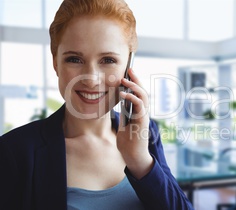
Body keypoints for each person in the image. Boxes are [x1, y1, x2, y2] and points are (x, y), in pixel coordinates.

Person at [0, 0, 193, 209]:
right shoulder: (14, 151)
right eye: (74, 59)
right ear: (55, 62)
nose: (91, 79)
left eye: (108, 60)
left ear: (129, 65)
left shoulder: (146, 133)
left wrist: (140, 161)